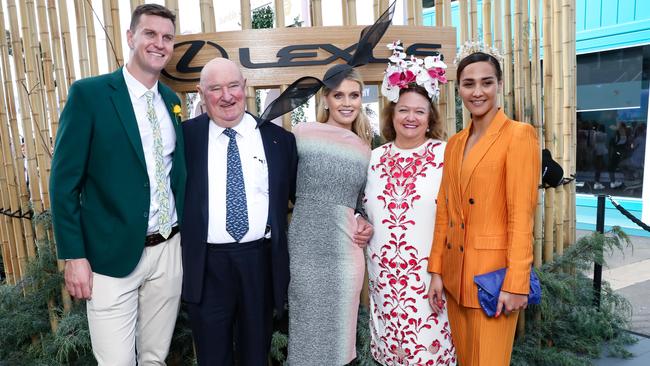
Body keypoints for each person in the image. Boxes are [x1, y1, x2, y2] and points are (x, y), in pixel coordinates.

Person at [49, 4, 185, 365]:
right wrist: (74, 255)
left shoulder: (172, 102)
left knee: (155, 357)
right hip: (109, 257)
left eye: (167, 37)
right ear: (131, 37)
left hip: (168, 251)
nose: (159, 43)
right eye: (150, 34)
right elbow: (64, 182)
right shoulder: (90, 95)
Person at [427, 43, 540, 366]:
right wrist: (436, 270)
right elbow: (445, 210)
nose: (478, 92)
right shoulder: (454, 143)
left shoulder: (519, 135)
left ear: (500, 85)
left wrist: (516, 282)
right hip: (455, 277)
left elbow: (521, 215)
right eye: (469, 83)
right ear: (459, 88)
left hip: (494, 281)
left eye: (486, 82)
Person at [181, 57, 298, 365]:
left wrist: (354, 215)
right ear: (201, 93)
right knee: (212, 357)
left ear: (245, 88)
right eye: (215, 88)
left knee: (255, 356)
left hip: (259, 262)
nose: (227, 95)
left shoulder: (279, 140)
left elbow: (302, 198)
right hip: (207, 266)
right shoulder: (185, 139)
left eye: (233, 85)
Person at [364, 43, 456, 365]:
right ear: (392, 114)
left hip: (429, 279)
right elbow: (362, 211)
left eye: (419, 110)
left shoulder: (446, 155)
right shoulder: (373, 159)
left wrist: (441, 274)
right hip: (384, 281)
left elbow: (456, 219)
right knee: (391, 355)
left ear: (430, 117)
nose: (411, 117)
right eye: (403, 109)